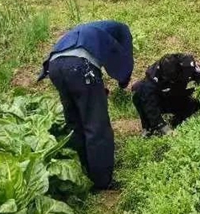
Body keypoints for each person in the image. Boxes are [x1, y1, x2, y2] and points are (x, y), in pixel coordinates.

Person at [38, 20, 134, 190]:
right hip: (80, 66)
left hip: (54, 66)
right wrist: (123, 81)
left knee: (75, 123)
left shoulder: (86, 31)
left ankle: (82, 173)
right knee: (97, 126)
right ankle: (102, 181)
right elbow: (125, 56)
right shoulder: (121, 29)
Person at [132, 53, 200, 137]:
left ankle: (179, 120)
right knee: (138, 93)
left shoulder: (188, 65)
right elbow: (150, 106)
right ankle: (149, 127)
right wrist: (164, 128)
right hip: (162, 97)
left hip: (179, 93)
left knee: (197, 101)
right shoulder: (152, 77)